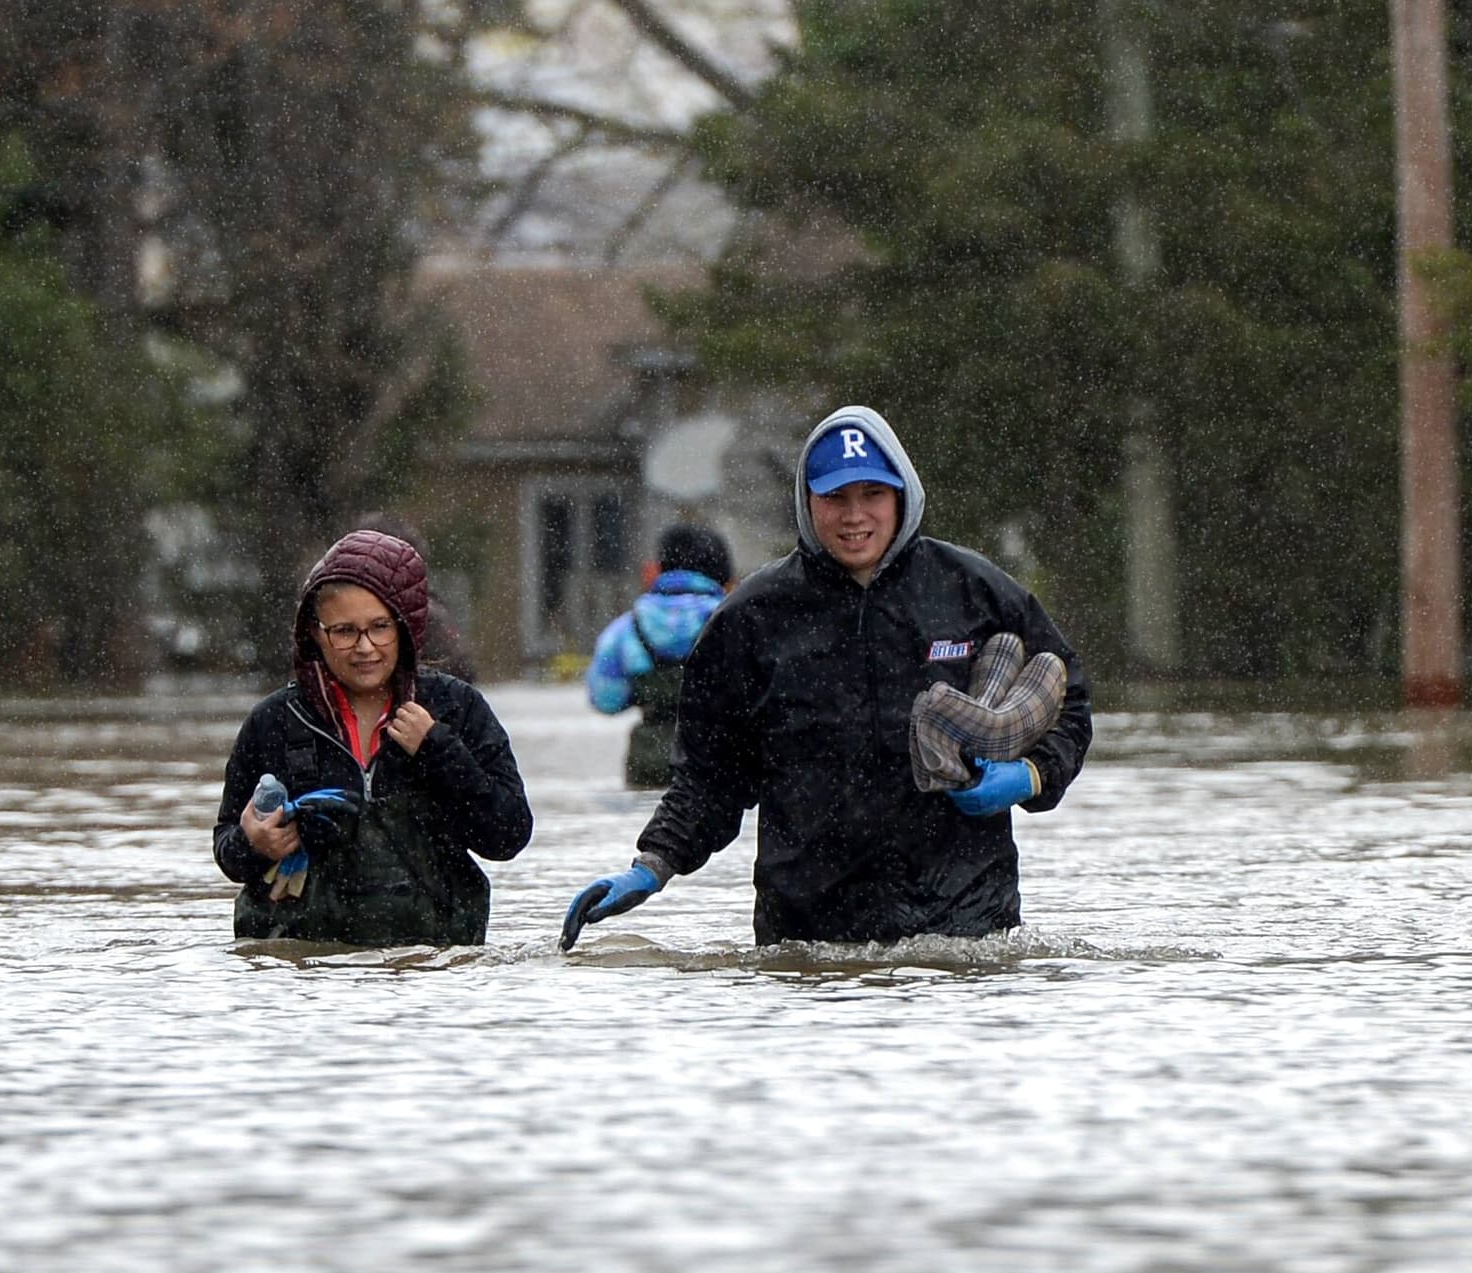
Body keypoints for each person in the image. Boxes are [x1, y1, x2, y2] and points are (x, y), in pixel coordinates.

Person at [561, 406, 1088, 948]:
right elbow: (708, 778)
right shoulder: (750, 619)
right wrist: (651, 866)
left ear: (902, 495)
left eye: (872, 495)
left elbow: (1069, 698)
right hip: (807, 943)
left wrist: (1032, 774)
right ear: (806, 501)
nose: (854, 516)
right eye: (835, 497)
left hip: (969, 935)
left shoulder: (975, 591)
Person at [214, 529, 532, 947]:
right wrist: (256, 843)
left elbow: (508, 835)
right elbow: (228, 851)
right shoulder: (273, 721)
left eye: (379, 627)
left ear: (404, 627)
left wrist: (438, 750)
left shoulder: (457, 708)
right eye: (344, 631)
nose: (365, 648)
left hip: (435, 968)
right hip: (304, 978)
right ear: (314, 633)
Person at [583, 522, 736, 790]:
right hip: (718, 762)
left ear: (656, 570)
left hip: (648, 764)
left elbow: (604, 700)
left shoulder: (624, 631)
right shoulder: (738, 622)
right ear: (727, 578)